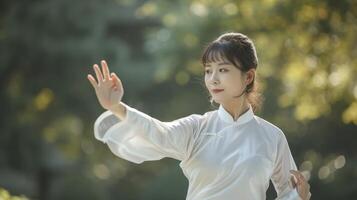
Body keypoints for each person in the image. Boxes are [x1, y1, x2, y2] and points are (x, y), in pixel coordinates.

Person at [87, 32, 311, 200]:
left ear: (248, 76)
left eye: (223, 70)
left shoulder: (272, 136)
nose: (213, 79)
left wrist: (300, 196)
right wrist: (117, 107)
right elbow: (158, 132)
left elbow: (288, 193)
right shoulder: (197, 127)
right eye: (208, 71)